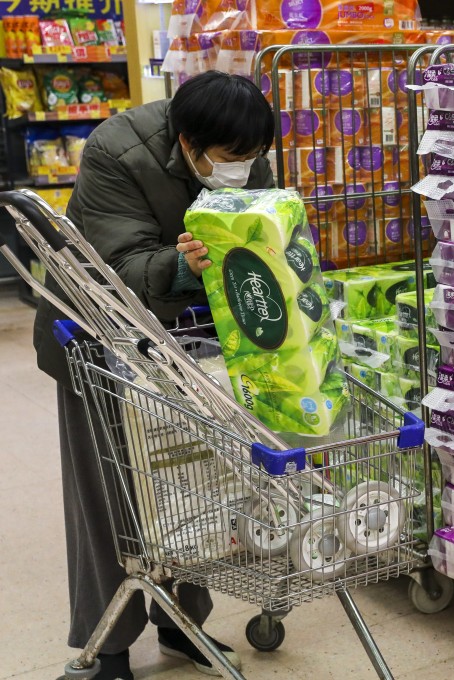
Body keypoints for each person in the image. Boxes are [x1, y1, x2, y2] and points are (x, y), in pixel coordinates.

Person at [32, 70, 276, 680]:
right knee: (109, 487)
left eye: (255, 157)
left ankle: (183, 624)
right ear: (188, 143)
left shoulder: (246, 154)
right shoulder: (117, 149)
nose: (243, 169)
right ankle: (106, 642)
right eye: (231, 159)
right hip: (98, 334)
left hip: (188, 340)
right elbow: (115, 265)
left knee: (191, 485)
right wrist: (182, 265)